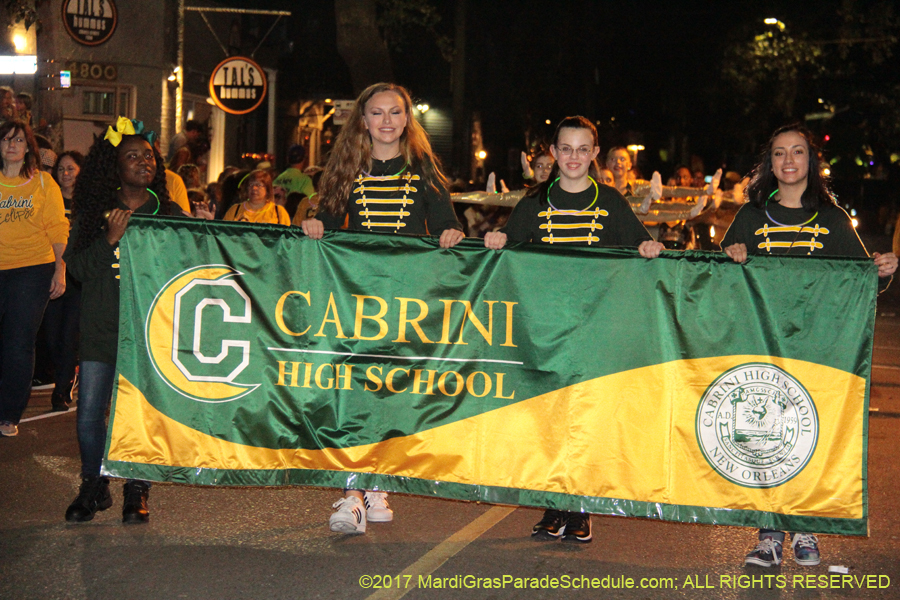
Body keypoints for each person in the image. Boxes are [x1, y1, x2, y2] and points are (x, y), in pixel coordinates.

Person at [722, 124, 897, 568]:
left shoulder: (832, 219)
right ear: (770, 163)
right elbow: (717, 277)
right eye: (780, 152)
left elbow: (860, 281)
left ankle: (804, 526)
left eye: (797, 151)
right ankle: (768, 535)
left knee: (804, 436)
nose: (788, 160)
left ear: (810, 161)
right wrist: (731, 257)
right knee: (765, 439)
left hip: (816, 348)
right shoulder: (750, 216)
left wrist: (881, 270)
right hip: (761, 343)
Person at [484, 116, 664, 543]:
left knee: (585, 416)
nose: (573, 157)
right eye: (565, 149)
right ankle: (554, 502)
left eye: (583, 149)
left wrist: (648, 246)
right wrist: (498, 239)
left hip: (595, 326)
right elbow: (510, 244)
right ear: (553, 152)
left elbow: (638, 243)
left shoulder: (611, 201)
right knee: (549, 416)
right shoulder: (534, 201)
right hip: (546, 328)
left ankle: (581, 507)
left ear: (594, 154)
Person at [301, 82, 464, 534]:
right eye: (377, 112)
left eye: (395, 112)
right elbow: (328, 220)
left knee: (393, 390)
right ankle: (353, 493)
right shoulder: (347, 165)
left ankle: (377, 481)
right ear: (363, 119)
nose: (387, 121)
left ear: (407, 119)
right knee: (353, 388)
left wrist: (450, 234)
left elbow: (446, 222)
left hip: (407, 296)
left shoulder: (423, 166)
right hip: (357, 292)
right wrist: (315, 224)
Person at [62, 116, 174, 523]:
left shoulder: (169, 212)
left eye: (149, 156)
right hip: (101, 328)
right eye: (133, 156)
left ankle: (137, 488)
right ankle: (94, 486)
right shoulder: (96, 211)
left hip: (148, 332)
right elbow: (77, 269)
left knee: (141, 413)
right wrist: (109, 239)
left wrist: (203, 230)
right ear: (115, 165)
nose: (145, 162)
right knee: (90, 413)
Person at [0, 120, 68, 436]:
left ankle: (9, 414)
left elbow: (57, 227)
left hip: (32, 270)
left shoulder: (43, 182)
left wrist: (60, 268)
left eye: (18, 140)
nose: (11, 145)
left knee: (18, 342)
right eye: (5, 139)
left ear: (28, 147)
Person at [42, 151, 85, 411]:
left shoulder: (88, 201)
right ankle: (64, 374)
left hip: (77, 277)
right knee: (50, 337)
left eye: (70, 169)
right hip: (52, 273)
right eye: (61, 169)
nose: (65, 174)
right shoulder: (49, 196)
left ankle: (62, 388)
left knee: (69, 335)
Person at [223, 169, 291, 225]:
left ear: (267, 189)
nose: (254, 188)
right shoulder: (235, 210)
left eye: (258, 185)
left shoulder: (278, 212)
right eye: (251, 185)